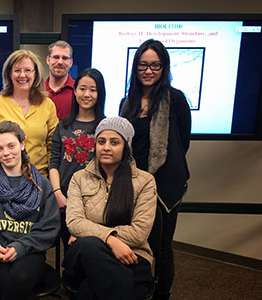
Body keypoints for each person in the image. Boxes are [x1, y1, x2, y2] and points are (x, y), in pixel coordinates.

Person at [119, 39, 192, 300]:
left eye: (155, 65)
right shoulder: (127, 103)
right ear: (135, 68)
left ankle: (161, 294)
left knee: (162, 247)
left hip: (165, 185)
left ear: (164, 68)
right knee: (138, 242)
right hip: (134, 184)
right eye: (143, 65)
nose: (148, 71)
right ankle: (140, 289)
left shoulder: (176, 98)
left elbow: (183, 141)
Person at [0, 121, 60, 300]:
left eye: (11, 146)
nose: (5, 153)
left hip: (30, 254)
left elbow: (49, 229)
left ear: (22, 144)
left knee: (20, 278)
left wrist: (20, 247)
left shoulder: (42, 185)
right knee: (10, 283)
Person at [62, 117, 157, 300]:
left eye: (114, 142)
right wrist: (111, 240)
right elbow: (73, 222)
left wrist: (86, 232)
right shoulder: (79, 178)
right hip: (85, 256)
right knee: (90, 246)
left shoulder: (145, 181)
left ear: (126, 146)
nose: (106, 147)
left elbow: (139, 233)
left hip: (132, 255)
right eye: (101, 141)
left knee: (89, 290)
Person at [48, 68, 107, 253]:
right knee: (70, 249)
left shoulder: (105, 126)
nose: (87, 94)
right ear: (74, 91)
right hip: (65, 198)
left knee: (92, 248)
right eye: (82, 89)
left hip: (95, 200)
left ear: (100, 93)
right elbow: (54, 162)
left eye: (93, 89)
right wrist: (57, 193)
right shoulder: (63, 125)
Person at [0, 50, 59, 177]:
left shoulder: (47, 105)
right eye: (17, 70)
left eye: (27, 70)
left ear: (35, 74)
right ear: (9, 74)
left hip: (38, 180)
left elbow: (53, 146)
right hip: (0, 179)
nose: (22, 75)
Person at [45, 40, 75, 121]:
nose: (60, 62)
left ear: (71, 62)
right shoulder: (37, 91)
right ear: (48, 60)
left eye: (65, 58)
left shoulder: (78, 91)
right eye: (56, 57)